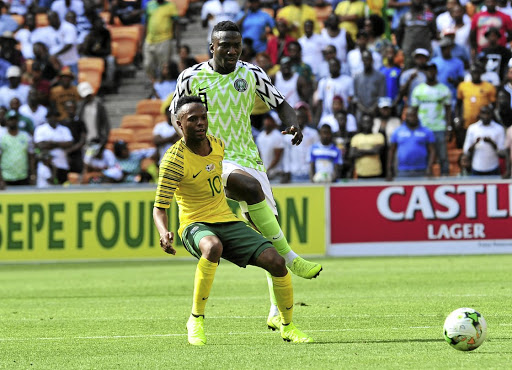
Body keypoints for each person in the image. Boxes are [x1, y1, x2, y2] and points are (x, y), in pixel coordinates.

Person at [170, 21, 322, 331]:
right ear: (212, 47)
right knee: (246, 186)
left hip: (248, 157)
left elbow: (281, 104)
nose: (231, 50)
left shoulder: (251, 74)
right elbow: (175, 114)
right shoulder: (190, 77)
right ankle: (292, 257)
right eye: (224, 44)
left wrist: (293, 123)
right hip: (210, 156)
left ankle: (276, 312)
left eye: (236, 44)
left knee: (266, 238)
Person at [154, 96, 313, 345]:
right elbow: (159, 207)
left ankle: (287, 326)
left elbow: (217, 181)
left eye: (203, 117)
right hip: (194, 224)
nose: (200, 123)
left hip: (226, 220)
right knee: (212, 246)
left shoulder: (218, 145)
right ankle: (195, 319)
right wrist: (164, 232)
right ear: (178, 123)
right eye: (192, 119)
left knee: (276, 261)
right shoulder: (173, 160)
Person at [410, 62, 452, 175]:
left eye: (433, 70)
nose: (431, 72)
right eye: (428, 70)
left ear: (436, 72)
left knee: (443, 156)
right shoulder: (418, 90)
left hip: (439, 127)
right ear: (425, 72)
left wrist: (449, 126)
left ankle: (445, 178)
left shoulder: (444, 90)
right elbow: (414, 110)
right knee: (424, 155)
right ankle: (424, 178)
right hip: (423, 127)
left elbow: (448, 110)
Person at [387, 106, 435, 180]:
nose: (411, 118)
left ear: (417, 116)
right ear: (405, 117)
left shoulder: (426, 131)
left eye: (413, 115)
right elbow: (391, 151)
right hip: (403, 170)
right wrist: (389, 169)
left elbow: (432, 151)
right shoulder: (398, 131)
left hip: (422, 169)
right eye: (409, 115)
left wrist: (429, 167)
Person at [455, 64, 496, 147]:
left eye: (477, 72)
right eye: (474, 72)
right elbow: (458, 104)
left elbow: (494, 105)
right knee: (466, 146)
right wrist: (457, 117)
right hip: (466, 123)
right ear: (470, 73)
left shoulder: (489, 87)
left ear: (481, 73)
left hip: (483, 123)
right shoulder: (463, 86)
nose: (475, 74)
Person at [463, 104, 507, 176]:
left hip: (493, 168)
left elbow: (502, 152)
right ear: (479, 114)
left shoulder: (499, 129)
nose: (486, 116)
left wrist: (492, 143)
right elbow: (466, 151)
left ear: (491, 114)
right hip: (476, 168)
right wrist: (475, 143)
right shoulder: (472, 128)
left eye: (488, 113)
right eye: (483, 113)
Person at [281, 101, 319, 183]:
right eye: (298, 117)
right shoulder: (287, 136)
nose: (300, 119)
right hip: (294, 174)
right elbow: (286, 156)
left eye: (302, 116)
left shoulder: (313, 134)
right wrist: (287, 172)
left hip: (309, 173)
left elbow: (317, 153)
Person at [34, 109, 74, 184]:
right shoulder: (41, 129)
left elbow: (69, 143)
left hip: (62, 164)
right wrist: (60, 144)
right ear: (47, 118)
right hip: (46, 165)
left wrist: (52, 143)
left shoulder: (64, 129)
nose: (53, 119)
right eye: (51, 117)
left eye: (55, 116)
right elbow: (40, 145)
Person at [395, 0, 436, 69]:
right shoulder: (405, 16)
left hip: (425, 53)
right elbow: (399, 34)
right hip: (409, 53)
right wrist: (403, 47)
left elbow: (434, 32)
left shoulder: (429, 15)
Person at [144, 0, 179, 81]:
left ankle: (160, 83)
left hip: (165, 39)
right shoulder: (149, 5)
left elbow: (176, 24)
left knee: (163, 65)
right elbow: (146, 23)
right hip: (149, 39)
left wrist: (177, 42)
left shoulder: (171, 6)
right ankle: (153, 82)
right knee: (147, 64)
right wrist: (143, 39)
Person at [0, 110, 36, 188]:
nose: (12, 122)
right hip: (6, 176)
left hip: (23, 176)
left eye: (14, 119)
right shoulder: (2, 137)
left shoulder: (26, 136)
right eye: (10, 119)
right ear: (6, 121)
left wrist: (33, 175)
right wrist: (0, 179)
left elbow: (31, 156)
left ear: (18, 121)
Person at [314, 58, 354, 124]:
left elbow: (351, 100)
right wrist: (317, 118)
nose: (333, 68)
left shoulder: (348, 80)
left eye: (335, 65)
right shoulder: (323, 82)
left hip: (343, 115)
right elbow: (320, 101)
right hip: (327, 115)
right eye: (331, 66)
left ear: (340, 66)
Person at [350, 113, 385, 179]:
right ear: (361, 124)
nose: (367, 125)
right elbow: (352, 154)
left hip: (376, 173)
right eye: (365, 122)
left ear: (373, 123)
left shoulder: (379, 136)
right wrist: (371, 150)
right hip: (360, 173)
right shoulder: (356, 138)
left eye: (369, 122)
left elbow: (376, 151)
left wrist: (360, 151)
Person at [353, 51, 386, 121]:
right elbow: (355, 97)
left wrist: (373, 108)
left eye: (368, 59)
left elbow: (382, 96)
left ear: (372, 60)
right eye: (364, 59)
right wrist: (364, 109)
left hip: (375, 111)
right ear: (362, 60)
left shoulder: (380, 76)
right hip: (361, 112)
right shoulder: (357, 77)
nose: (366, 61)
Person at [256, 113, 284, 182]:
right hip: (264, 173)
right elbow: (259, 154)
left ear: (274, 122)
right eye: (266, 119)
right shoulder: (261, 136)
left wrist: (267, 170)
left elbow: (277, 157)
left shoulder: (277, 136)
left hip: (275, 174)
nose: (267, 121)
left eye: (270, 120)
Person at [61, 99, 87, 173]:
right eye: (68, 108)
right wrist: (66, 151)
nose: (70, 110)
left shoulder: (80, 122)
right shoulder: (63, 123)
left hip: (77, 153)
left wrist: (72, 149)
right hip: (65, 153)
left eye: (72, 108)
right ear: (65, 109)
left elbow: (83, 139)